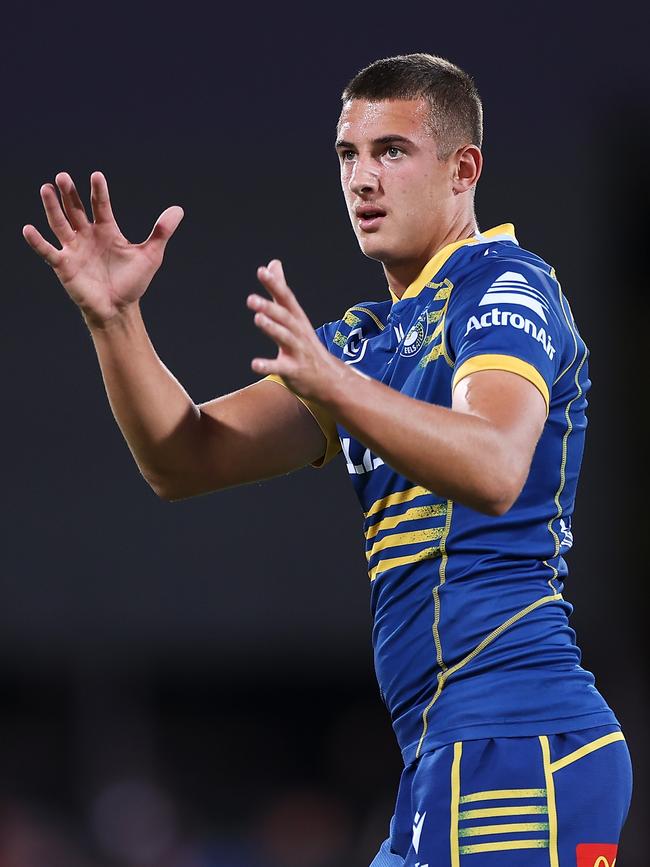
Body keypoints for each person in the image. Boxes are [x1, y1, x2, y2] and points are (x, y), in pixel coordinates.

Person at [23, 53, 631, 866]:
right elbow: (181, 457)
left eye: (391, 151)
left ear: (463, 169)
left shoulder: (508, 286)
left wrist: (339, 389)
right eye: (349, 155)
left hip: (522, 742)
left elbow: (494, 464)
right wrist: (116, 320)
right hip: (444, 756)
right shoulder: (368, 343)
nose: (363, 179)